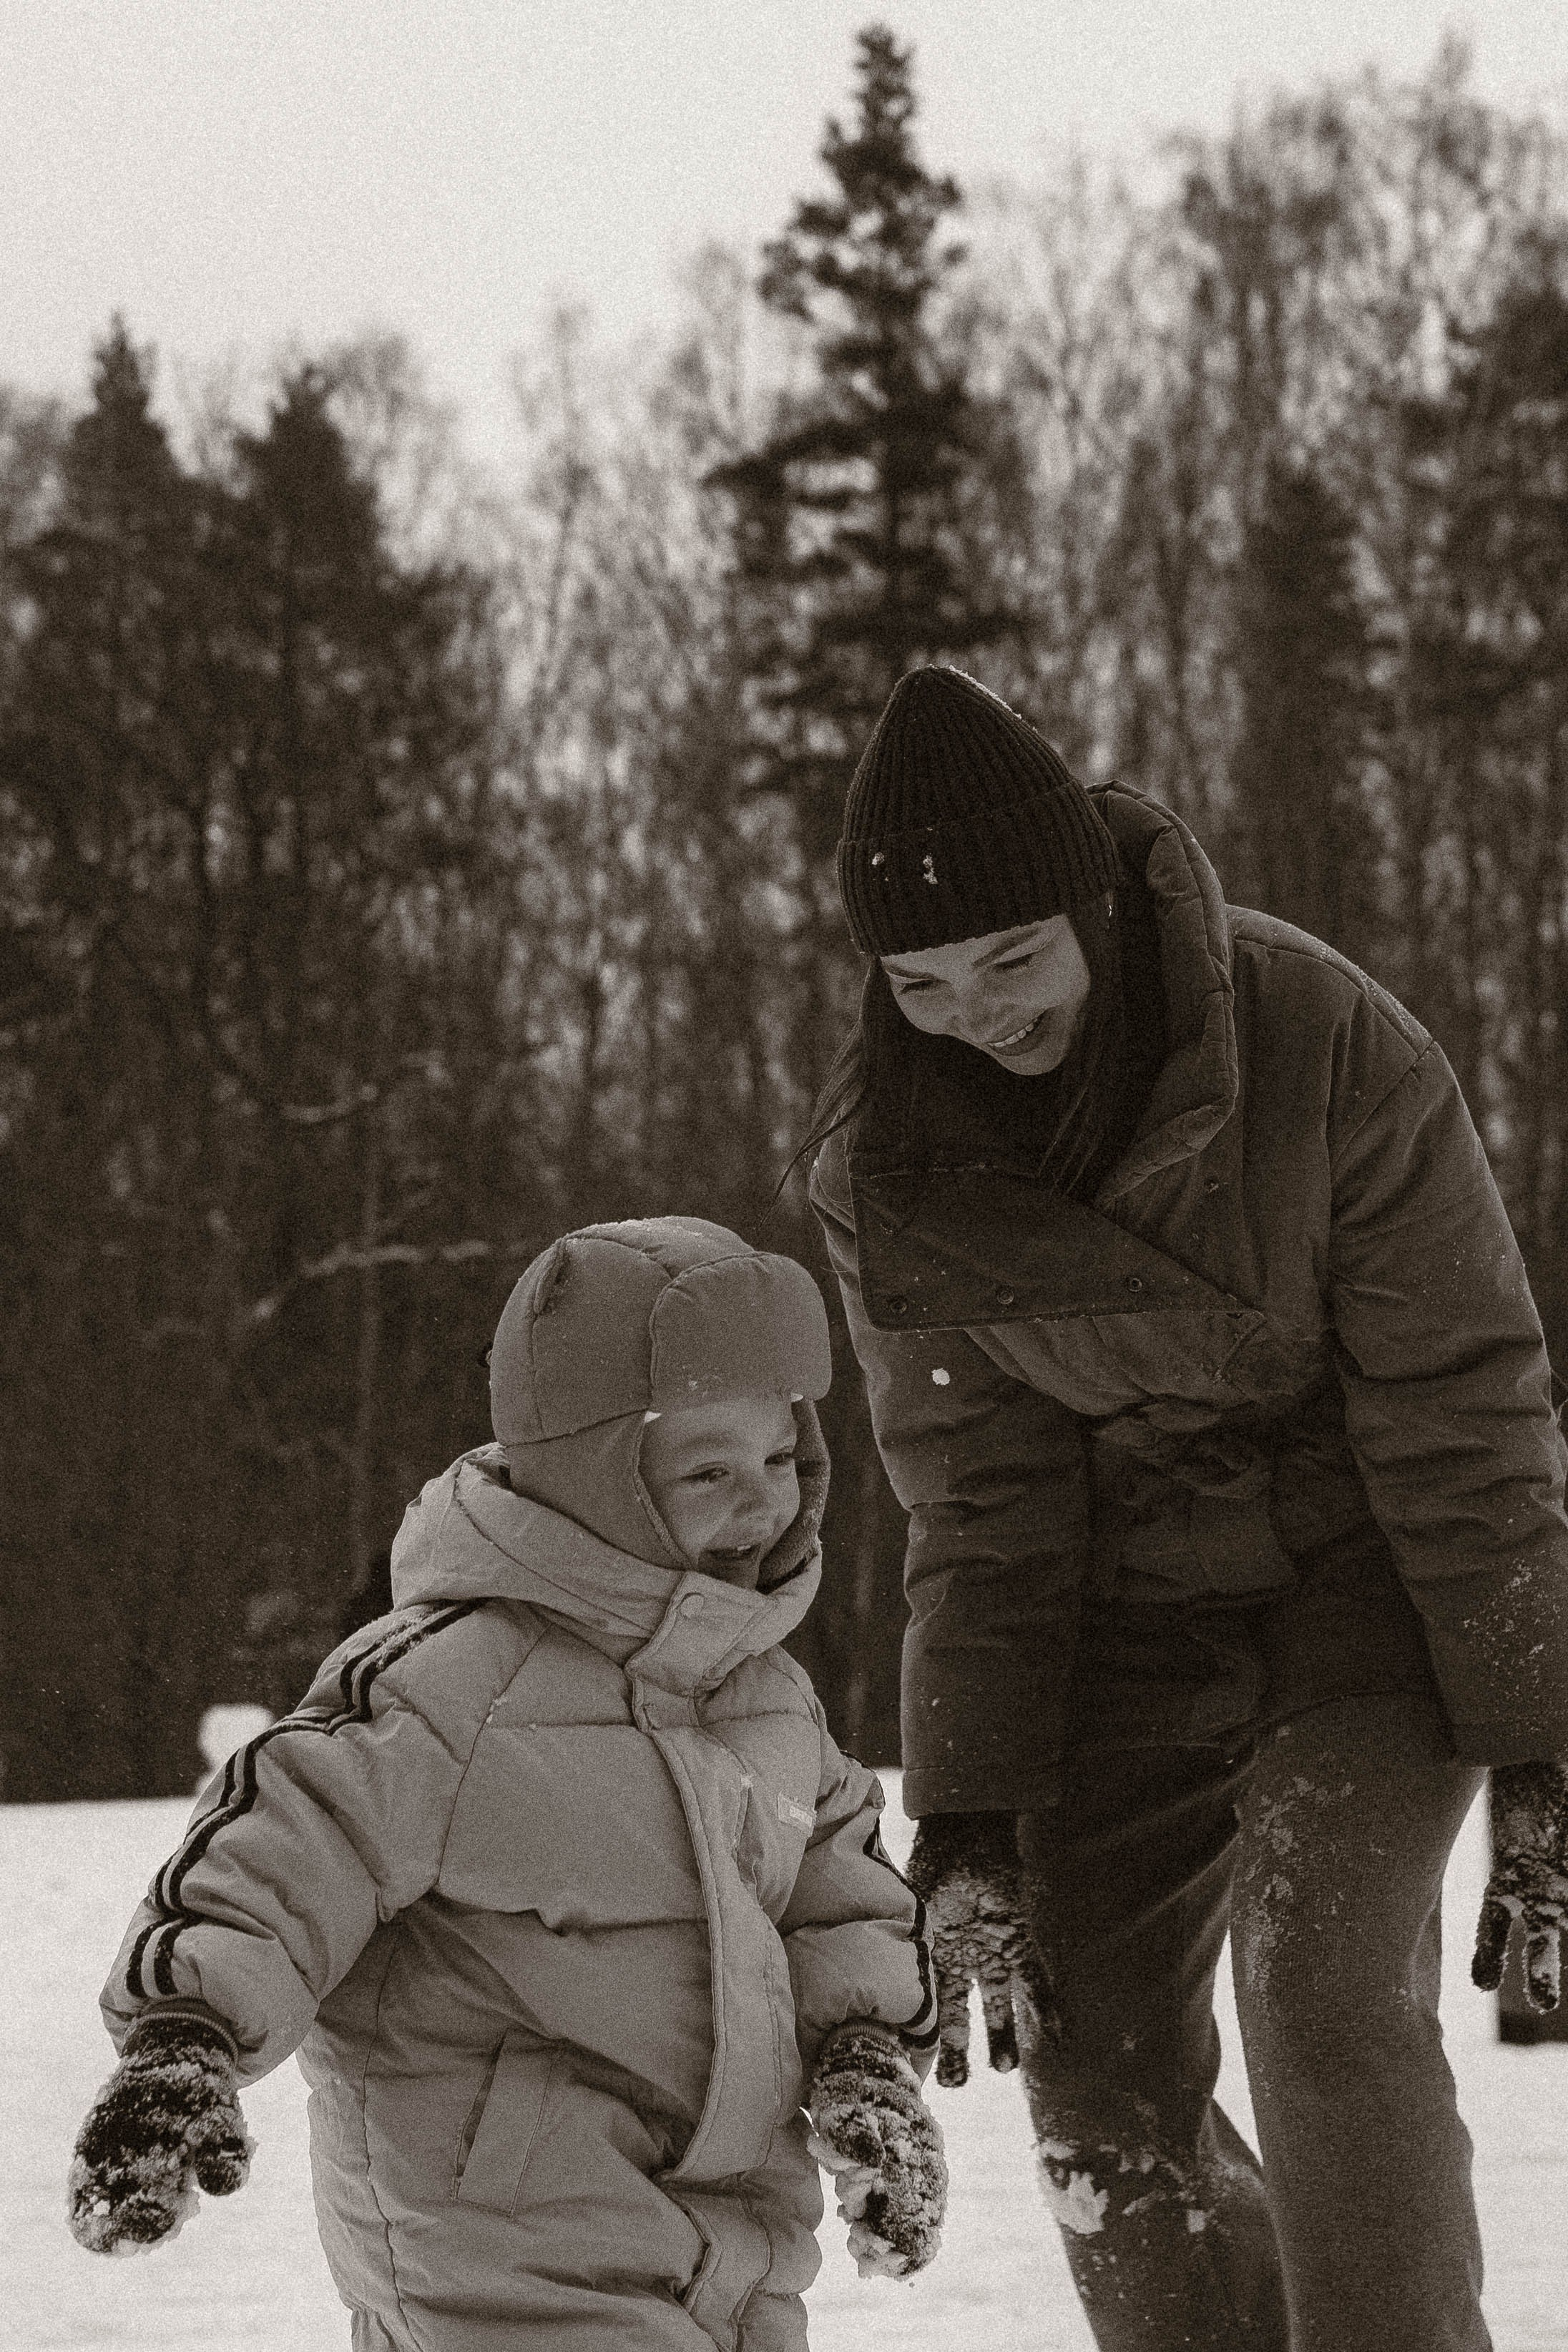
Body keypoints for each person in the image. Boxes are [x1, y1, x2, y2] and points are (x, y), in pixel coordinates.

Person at [804, 664, 1568, 2352]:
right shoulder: (888, 1161)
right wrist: (979, 1810)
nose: (979, 1010)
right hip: (1116, 1618)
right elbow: (981, 1504)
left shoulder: (1318, 1040)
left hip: (1363, 1582)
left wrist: (1540, 1734)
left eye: (1013, 957)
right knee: (1090, 2057)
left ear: (1091, 906)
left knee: (1321, 1992)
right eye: (921, 981)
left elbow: (1459, 1417)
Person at [68, 1216, 946, 2352]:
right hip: (498, 2248)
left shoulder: (765, 1697)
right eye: (708, 1470)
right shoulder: (451, 1682)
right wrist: (185, 2036)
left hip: (736, 2249)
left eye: (780, 1459)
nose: (762, 1502)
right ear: (592, 1476)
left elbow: (838, 1891)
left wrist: (869, 2056)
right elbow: (287, 1838)